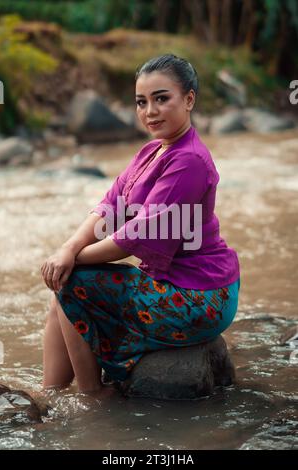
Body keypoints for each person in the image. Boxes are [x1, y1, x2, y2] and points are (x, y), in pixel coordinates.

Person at [41, 54, 240, 394]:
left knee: (70, 282)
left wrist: (70, 261)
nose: (150, 111)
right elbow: (109, 205)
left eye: (162, 99)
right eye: (141, 102)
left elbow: (134, 236)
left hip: (202, 295)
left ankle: (92, 397)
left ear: (189, 99)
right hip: (176, 281)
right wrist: (68, 247)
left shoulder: (188, 160)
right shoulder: (152, 151)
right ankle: (50, 394)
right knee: (62, 284)